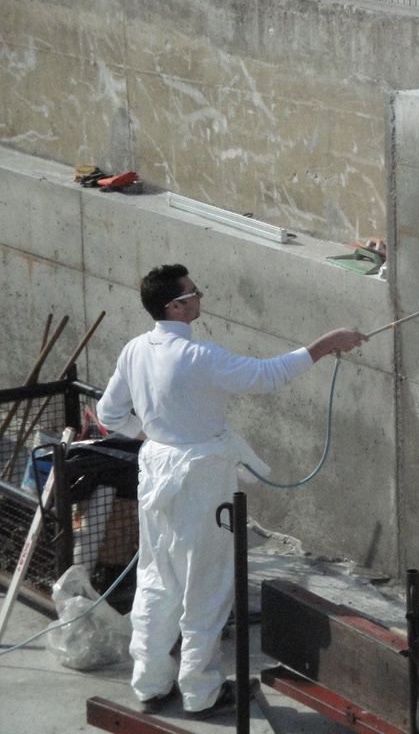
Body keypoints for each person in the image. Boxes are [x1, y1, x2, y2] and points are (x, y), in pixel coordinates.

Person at [96, 264, 368, 718]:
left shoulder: (135, 350)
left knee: (157, 576)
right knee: (206, 581)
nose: (200, 297)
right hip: (198, 476)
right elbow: (267, 376)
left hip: (157, 471)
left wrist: (154, 436)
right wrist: (326, 344)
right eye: (193, 292)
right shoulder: (197, 357)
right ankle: (200, 691)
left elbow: (109, 414)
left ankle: (150, 681)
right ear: (175, 306)